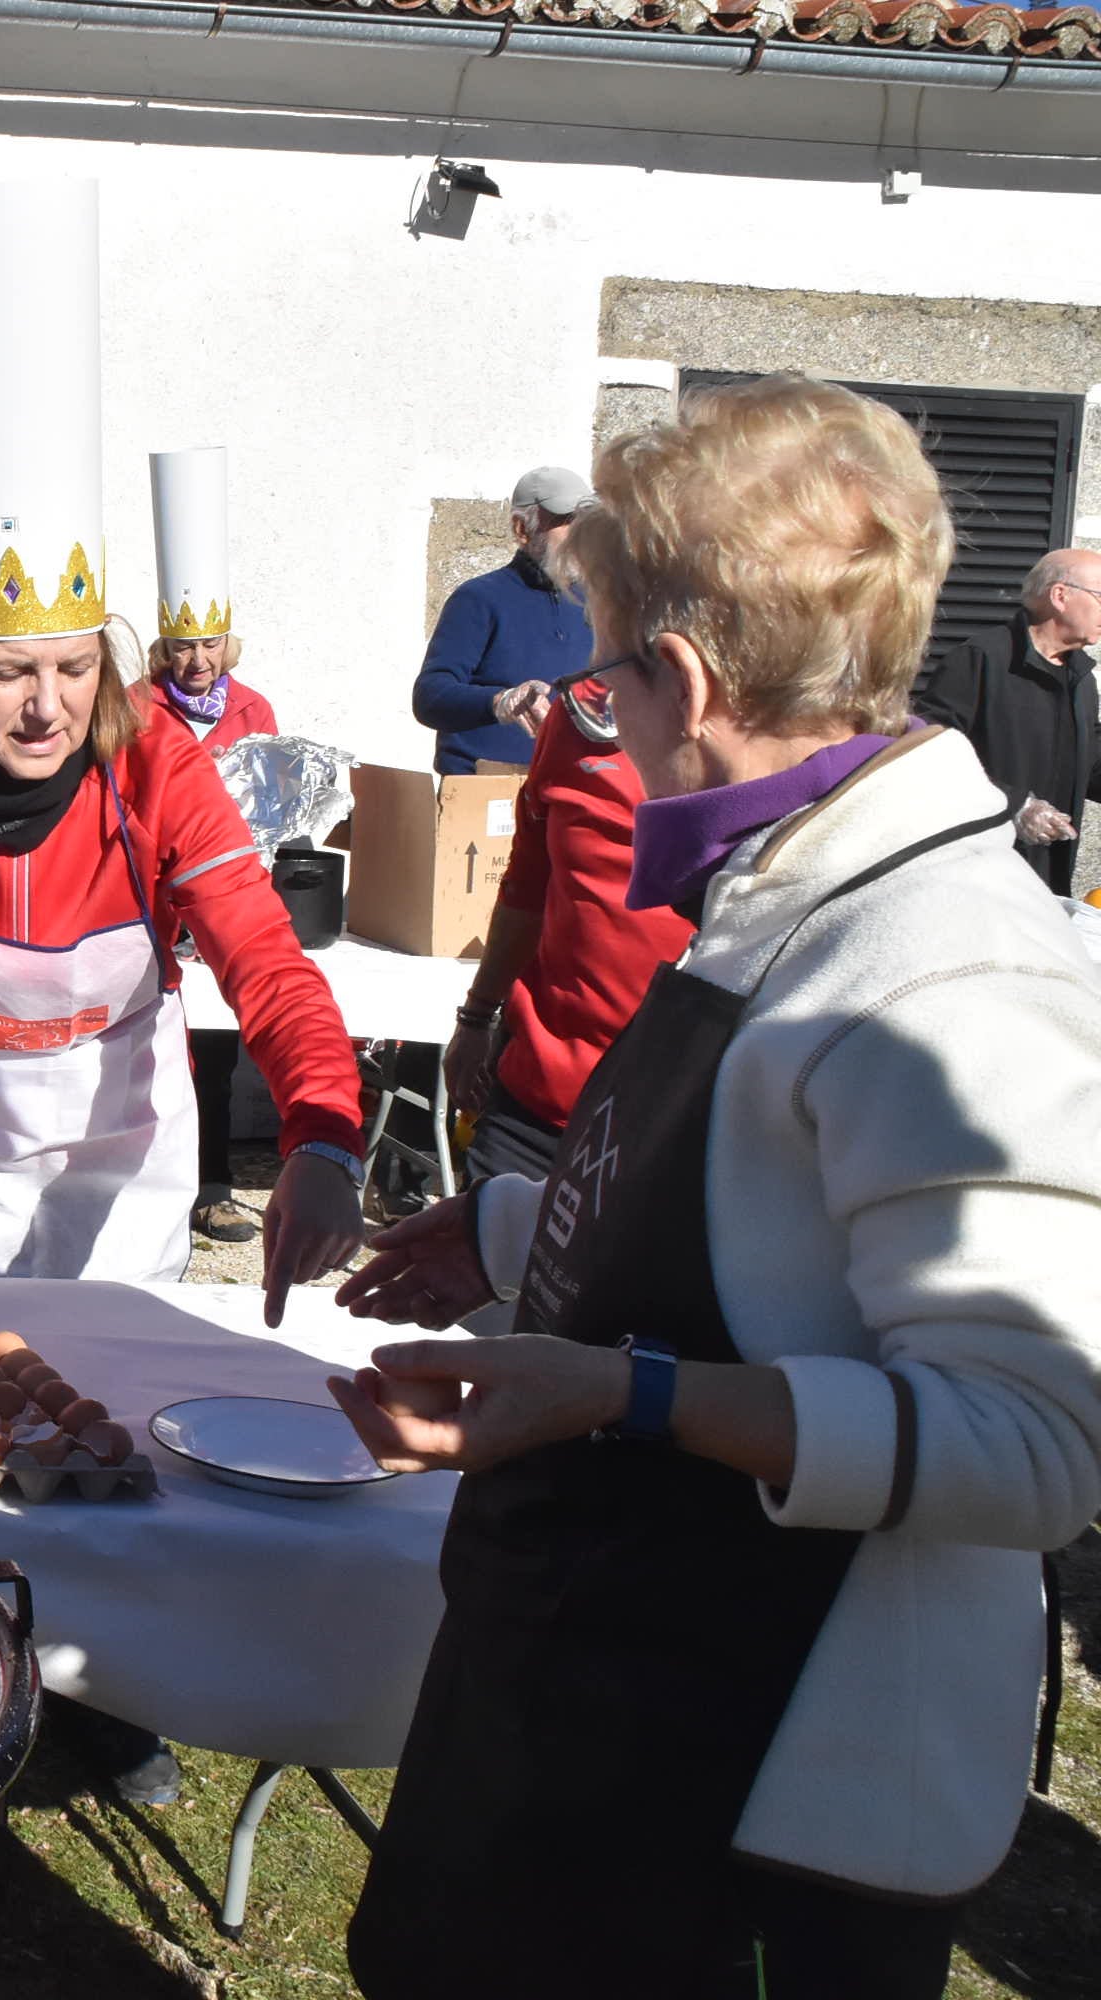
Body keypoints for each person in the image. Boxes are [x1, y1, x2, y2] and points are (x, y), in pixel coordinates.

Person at [331, 375, 1101, 1999]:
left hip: (760, 1814)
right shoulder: (785, 895)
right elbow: (752, 1236)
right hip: (597, 1710)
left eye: (602, 671)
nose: (594, 707)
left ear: (673, 677)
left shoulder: (947, 970)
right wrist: (502, 1230)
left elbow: (1032, 1447)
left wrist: (624, 1391)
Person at [0, 177, 366, 1306]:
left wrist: (326, 1137)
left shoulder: (157, 767)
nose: (47, 705)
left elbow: (262, 959)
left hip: (119, 1171)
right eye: (8, 672)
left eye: (74, 667)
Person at [439, 684, 692, 1186]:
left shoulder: (792, 724)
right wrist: (476, 1016)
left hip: (687, 1121)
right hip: (538, 1109)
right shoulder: (579, 717)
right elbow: (527, 889)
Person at [148, 446, 283, 1245]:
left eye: (210, 645)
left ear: (228, 643)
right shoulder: (136, 707)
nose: (197, 662)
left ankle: (213, 1184)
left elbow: (258, 808)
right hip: (152, 903)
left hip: (222, 895)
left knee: (219, 1051)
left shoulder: (255, 709)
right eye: (183, 647)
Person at [910, 544, 1099, 895]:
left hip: (1047, 882)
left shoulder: (1082, 679)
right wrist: (1015, 805)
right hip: (973, 878)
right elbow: (928, 753)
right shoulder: (981, 660)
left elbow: (1088, 764)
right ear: (1060, 595)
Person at [412, 466, 595, 772]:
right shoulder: (478, 599)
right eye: (566, 521)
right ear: (522, 530)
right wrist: (501, 702)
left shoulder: (597, 601)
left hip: (572, 791)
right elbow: (430, 697)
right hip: (486, 792)